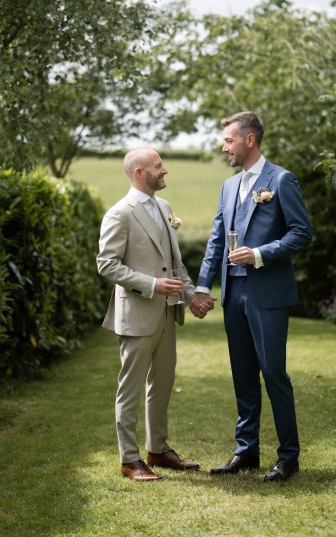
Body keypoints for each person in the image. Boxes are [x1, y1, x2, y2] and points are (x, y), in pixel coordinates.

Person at [191, 111, 312, 482]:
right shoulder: (229, 187)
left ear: (249, 140)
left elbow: (301, 233)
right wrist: (201, 286)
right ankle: (246, 451)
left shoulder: (281, 179)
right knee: (243, 375)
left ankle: (288, 457)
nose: (224, 146)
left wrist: (260, 254)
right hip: (233, 292)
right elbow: (216, 239)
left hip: (267, 292)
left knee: (274, 373)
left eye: (228, 140)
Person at [97, 148, 212, 481]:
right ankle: (129, 459)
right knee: (130, 388)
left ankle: (157, 450)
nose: (165, 171)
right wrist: (150, 284)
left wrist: (192, 297)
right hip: (136, 314)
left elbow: (175, 265)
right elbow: (106, 264)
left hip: (166, 314)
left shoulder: (164, 207)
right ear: (138, 172)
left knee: (162, 385)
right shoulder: (120, 213)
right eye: (158, 166)